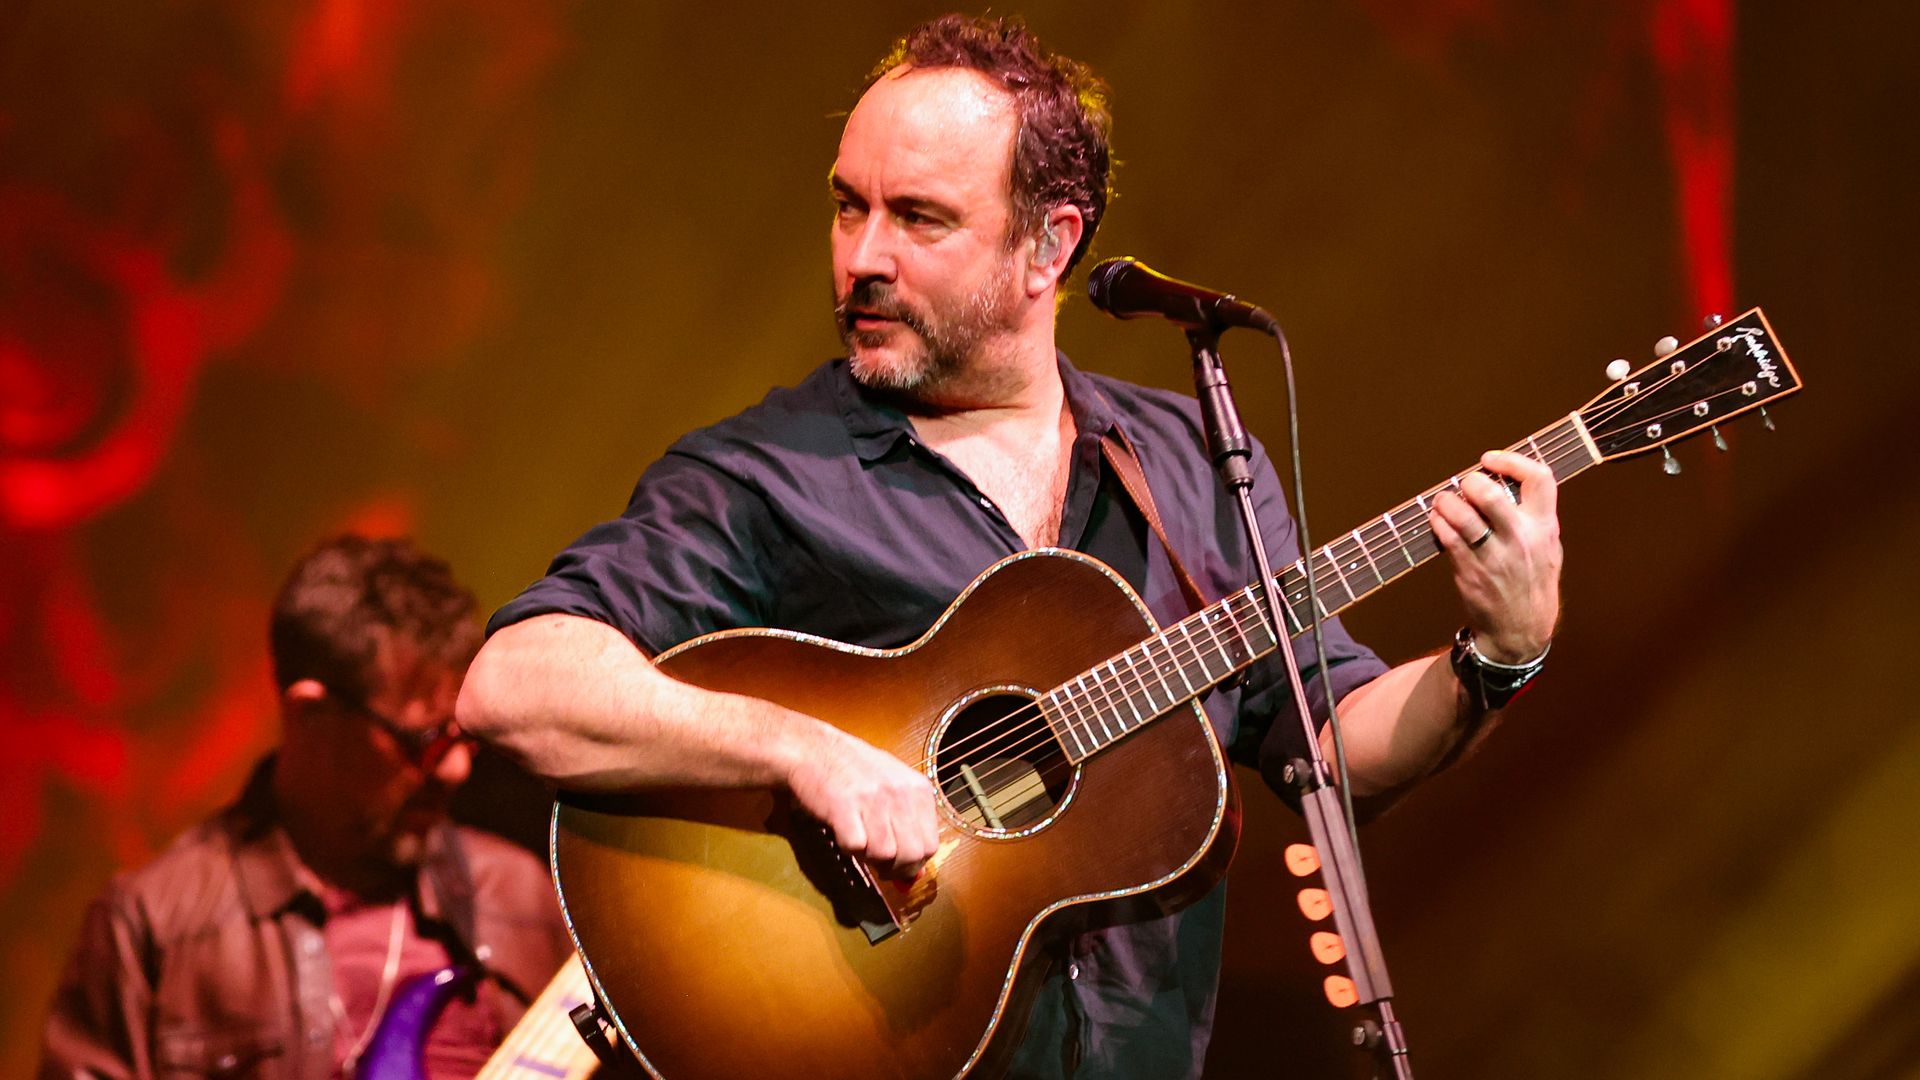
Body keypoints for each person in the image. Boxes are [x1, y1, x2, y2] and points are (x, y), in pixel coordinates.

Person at [458, 14, 1561, 1079]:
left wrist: (1498, 654)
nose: (863, 258)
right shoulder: (764, 473)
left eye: (920, 219)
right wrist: (806, 752)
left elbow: (1329, 743)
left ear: (1051, 245)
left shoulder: (1189, 458)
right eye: (851, 208)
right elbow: (517, 682)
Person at [41, 535, 573, 1080]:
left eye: (465, 737)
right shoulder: (148, 925)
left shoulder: (521, 893)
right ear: (309, 715)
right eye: (422, 742)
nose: (457, 770)